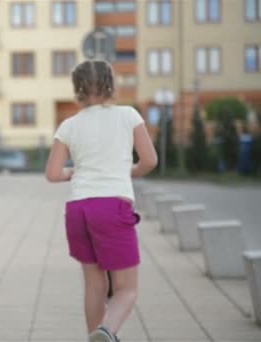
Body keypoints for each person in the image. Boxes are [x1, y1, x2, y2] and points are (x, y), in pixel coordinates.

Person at [45, 59, 157, 342]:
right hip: (112, 207)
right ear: (111, 84)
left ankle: (95, 337)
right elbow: (150, 160)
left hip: (78, 209)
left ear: (77, 89)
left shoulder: (69, 125)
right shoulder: (128, 115)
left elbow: (53, 174)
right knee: (126, 289)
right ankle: (107, 332)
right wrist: (129, 171)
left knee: (95, 284)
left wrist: (74, 172)